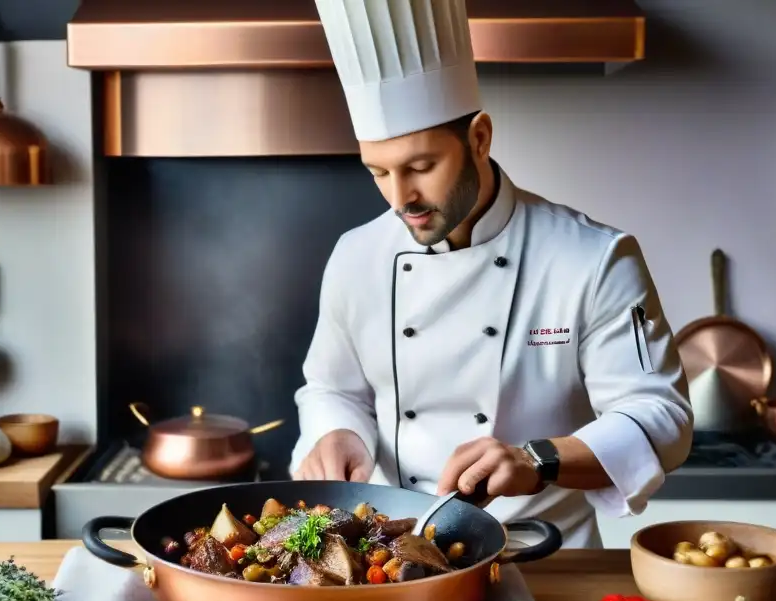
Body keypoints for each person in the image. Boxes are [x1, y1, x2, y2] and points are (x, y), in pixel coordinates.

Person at [289, 0, 693, 548]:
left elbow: (661, 415)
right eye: (379, 172)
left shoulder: (593, 259)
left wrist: (536, 459)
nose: (400, 197)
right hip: (387, 562)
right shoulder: (356, 255)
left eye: (421, 166)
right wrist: (336, 432)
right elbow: (331, 388)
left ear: (479, 138)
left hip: (540, 556)